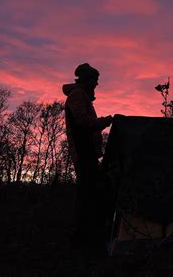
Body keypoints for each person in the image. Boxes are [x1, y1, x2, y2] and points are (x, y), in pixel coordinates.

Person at [62, 63, 113, 251]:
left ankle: (85, 237)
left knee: (90, 195)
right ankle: (82, 240)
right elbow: (83, 123)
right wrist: (105, 121)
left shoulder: (82, 96)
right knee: (87, 196)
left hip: (88, 153)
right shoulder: (77, 96)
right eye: (95, 80)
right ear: (87, 80)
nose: (97, 84)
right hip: (83, 154)